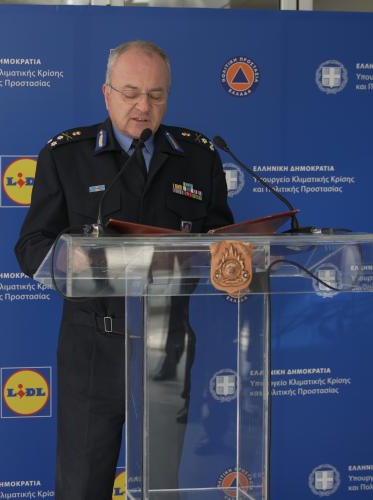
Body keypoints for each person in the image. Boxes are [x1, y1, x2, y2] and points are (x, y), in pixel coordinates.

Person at [15, 40, 233, 499]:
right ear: (107, 93)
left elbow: (221, 240)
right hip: (94, 345)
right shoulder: (67, 155)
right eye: (131, 93)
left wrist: (235, 263)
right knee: (82, 483)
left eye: (156, 95)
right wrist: (65, 258)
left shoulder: (198, 156)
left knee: (161, 484)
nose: (143, 107)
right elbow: (31, 244)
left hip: (167, 343)